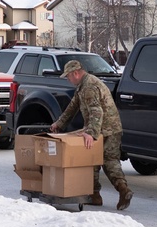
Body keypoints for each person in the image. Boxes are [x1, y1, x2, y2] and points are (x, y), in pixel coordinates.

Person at [50, 59, 132, 210]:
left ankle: (107, 193)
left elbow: (96, 110)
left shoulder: (89, 87)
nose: (68, 79)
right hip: (109, 128)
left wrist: (91, 133)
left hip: (106, 129)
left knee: (100, 162)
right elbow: (72, 106)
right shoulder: (83, 85)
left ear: (76, 73)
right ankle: (110, 193)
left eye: (68, 76)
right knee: (102, 162)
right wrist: (59, 123)